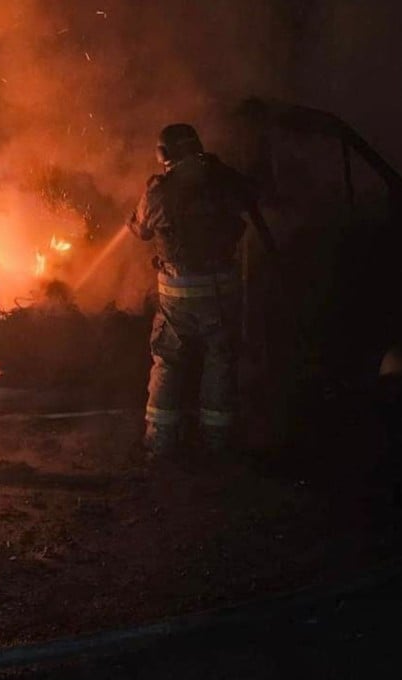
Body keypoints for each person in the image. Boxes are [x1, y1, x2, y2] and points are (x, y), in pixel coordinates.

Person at [127, 123, 276, 459]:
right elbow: (253, 197)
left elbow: (141, 229)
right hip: (221, 293)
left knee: (168, 362)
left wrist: (130, 221)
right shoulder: (222, 181)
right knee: (220, 362)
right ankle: (217, 441)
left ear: (164, 154)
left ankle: (161, 442)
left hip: (176, 298)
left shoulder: (160, 191)